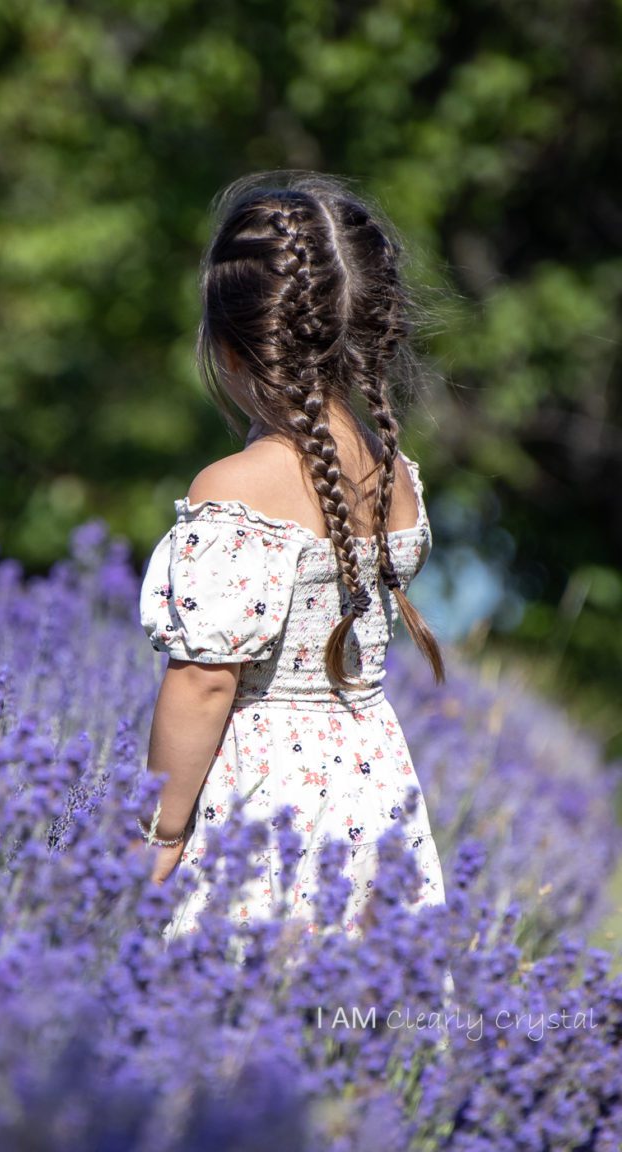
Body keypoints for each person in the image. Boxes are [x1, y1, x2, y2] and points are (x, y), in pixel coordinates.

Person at [137, 171, 448, 942]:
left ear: (233, 348)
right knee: (359, 1013)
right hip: (374, 796)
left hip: (262, 799)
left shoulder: (236, 489)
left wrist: (164, 831)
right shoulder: (397, 474)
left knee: (238, 1013)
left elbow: (207, 683)